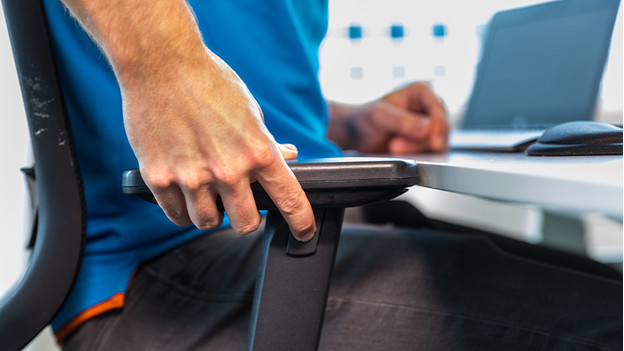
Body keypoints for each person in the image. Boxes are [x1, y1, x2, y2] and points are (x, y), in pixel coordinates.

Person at [41, 0, 621, 350]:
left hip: (311, 220)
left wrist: (345, 122)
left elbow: (245, 72)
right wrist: (163, 69)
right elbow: (178, 83)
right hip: (167, 267)